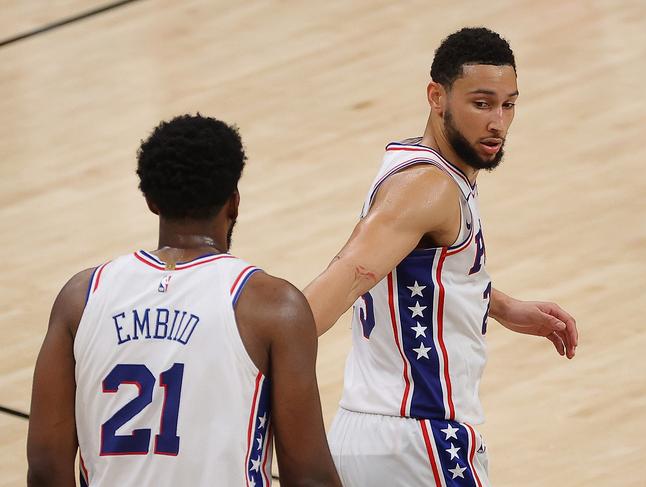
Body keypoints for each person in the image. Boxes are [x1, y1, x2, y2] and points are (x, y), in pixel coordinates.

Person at [303, 27, 578, 486]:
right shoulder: (428, 189)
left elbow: (418, 270)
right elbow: (341, 281)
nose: (498, 122)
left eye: (509, 104)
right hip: (419, 438)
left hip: (373, 429)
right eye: (482, 103)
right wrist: (240, 361)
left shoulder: (416, 168)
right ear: (437, 96)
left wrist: (502, 306)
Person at [27, 114, 342, 487]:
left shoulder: (80, 297)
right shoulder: (273, 307)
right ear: (234, 202)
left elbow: (47, 465)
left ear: (151, 200)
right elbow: (308, 476)